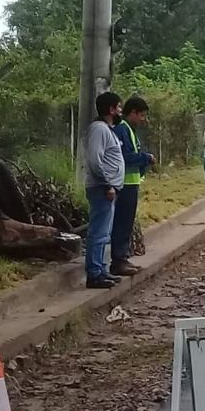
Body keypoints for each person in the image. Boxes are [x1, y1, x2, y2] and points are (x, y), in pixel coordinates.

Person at [110, 96, 156, 276]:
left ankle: (123, 258)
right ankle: (118, 261)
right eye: (142, 115)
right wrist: (146, 158)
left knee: (126, 223)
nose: (143, 120)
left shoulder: (129, 129)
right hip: (125, 184)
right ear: (133, 113)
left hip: (131, 182)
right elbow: (126, 157)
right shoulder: (122, 130)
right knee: (122, 223)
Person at [84, 92, 125, 289]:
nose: (120, 111)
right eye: (118, 107)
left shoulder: (107, 129)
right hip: (102, 189)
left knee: (104, 233)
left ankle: (100, 269)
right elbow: (95, 161)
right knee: (98, 232)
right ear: (110, 109)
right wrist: (107, 184)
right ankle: (94, 273)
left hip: (109, 188)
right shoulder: (99, 129)